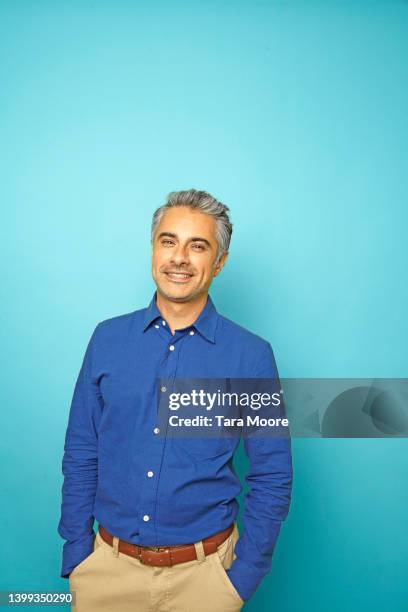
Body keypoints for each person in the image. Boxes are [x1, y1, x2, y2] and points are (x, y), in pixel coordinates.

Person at [58, 188, 293, 611]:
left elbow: (272, 473)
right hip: (105, 575)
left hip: (206, 580)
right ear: (153, 249)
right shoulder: (107, 339)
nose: (179, 257)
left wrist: (242, 576)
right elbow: (81, 450)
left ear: (218, 262)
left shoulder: (251, 355)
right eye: (168, 241)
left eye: (197, 245)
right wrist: (77, 551)